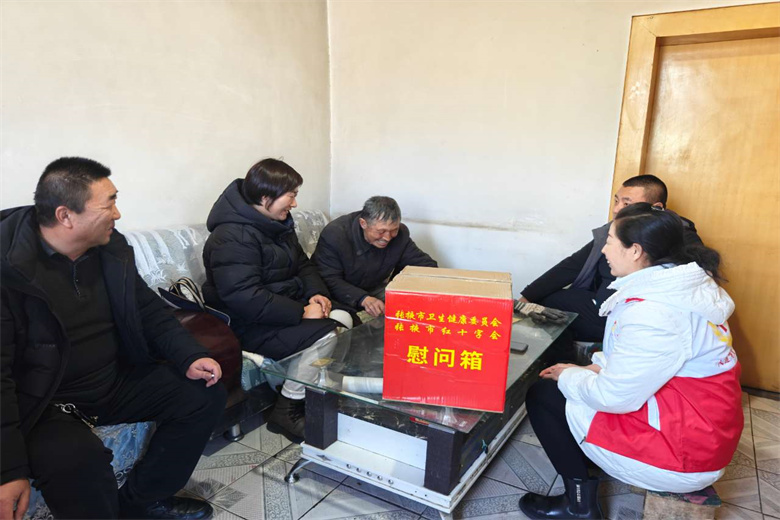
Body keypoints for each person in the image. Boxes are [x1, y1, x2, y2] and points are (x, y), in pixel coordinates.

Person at [0, 158, 226, 519]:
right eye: (109, 204)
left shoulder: (108, 248)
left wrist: (189, 355)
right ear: (65, 215)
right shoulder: (9, 269)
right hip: (45, 405)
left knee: (203, 394)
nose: (117, 214)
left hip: (114, 381)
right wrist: (8, 469)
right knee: (78, 461)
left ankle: (141, 502)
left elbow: (147, 309)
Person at [518, 203, 742, 520]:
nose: (603, 250)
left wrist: (569, 376)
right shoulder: (680, 287)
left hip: (682, 454)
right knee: (568, 381)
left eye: (610, 241)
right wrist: (592, 368)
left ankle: (578, 506)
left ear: (635, 251)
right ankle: (589, 460)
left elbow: (613, 396)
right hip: (699, 430)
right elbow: (627, 352)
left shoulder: (655, 312)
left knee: (545, 395)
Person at [202, 158, 350, 441]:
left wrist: (316, 294)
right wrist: (301, 312)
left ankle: (313, 396)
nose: (294, 203)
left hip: (278, 310)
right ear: (265, 197)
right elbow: (243, 296)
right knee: (325, 335)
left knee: (344, 317)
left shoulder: (276, 225)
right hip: (247, 323)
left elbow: (303, 264)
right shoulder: (231, 236)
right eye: (291, 196)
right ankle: (287, 409)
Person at [517, 175, 702, 342]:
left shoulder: (675, 237)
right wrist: (524, 300)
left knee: (554, 310)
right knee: (550, 300)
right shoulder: (616, 229)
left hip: (633, 314)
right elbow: (572, 265)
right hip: (602, 303)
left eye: (627, 204)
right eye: (616, 201)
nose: (616, 209)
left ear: (657, 207)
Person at [312, 196, 437, 318]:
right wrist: (363, 298)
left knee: (418, 304)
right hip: (338, 293)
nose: (387, 237)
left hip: (374, 288)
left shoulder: (400, 235)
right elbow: (329, 279)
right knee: (344, 318)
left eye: (393, 230)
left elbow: (424, 265)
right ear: (363, 223)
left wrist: (399, 286)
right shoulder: (336, 234)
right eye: (381, 231)